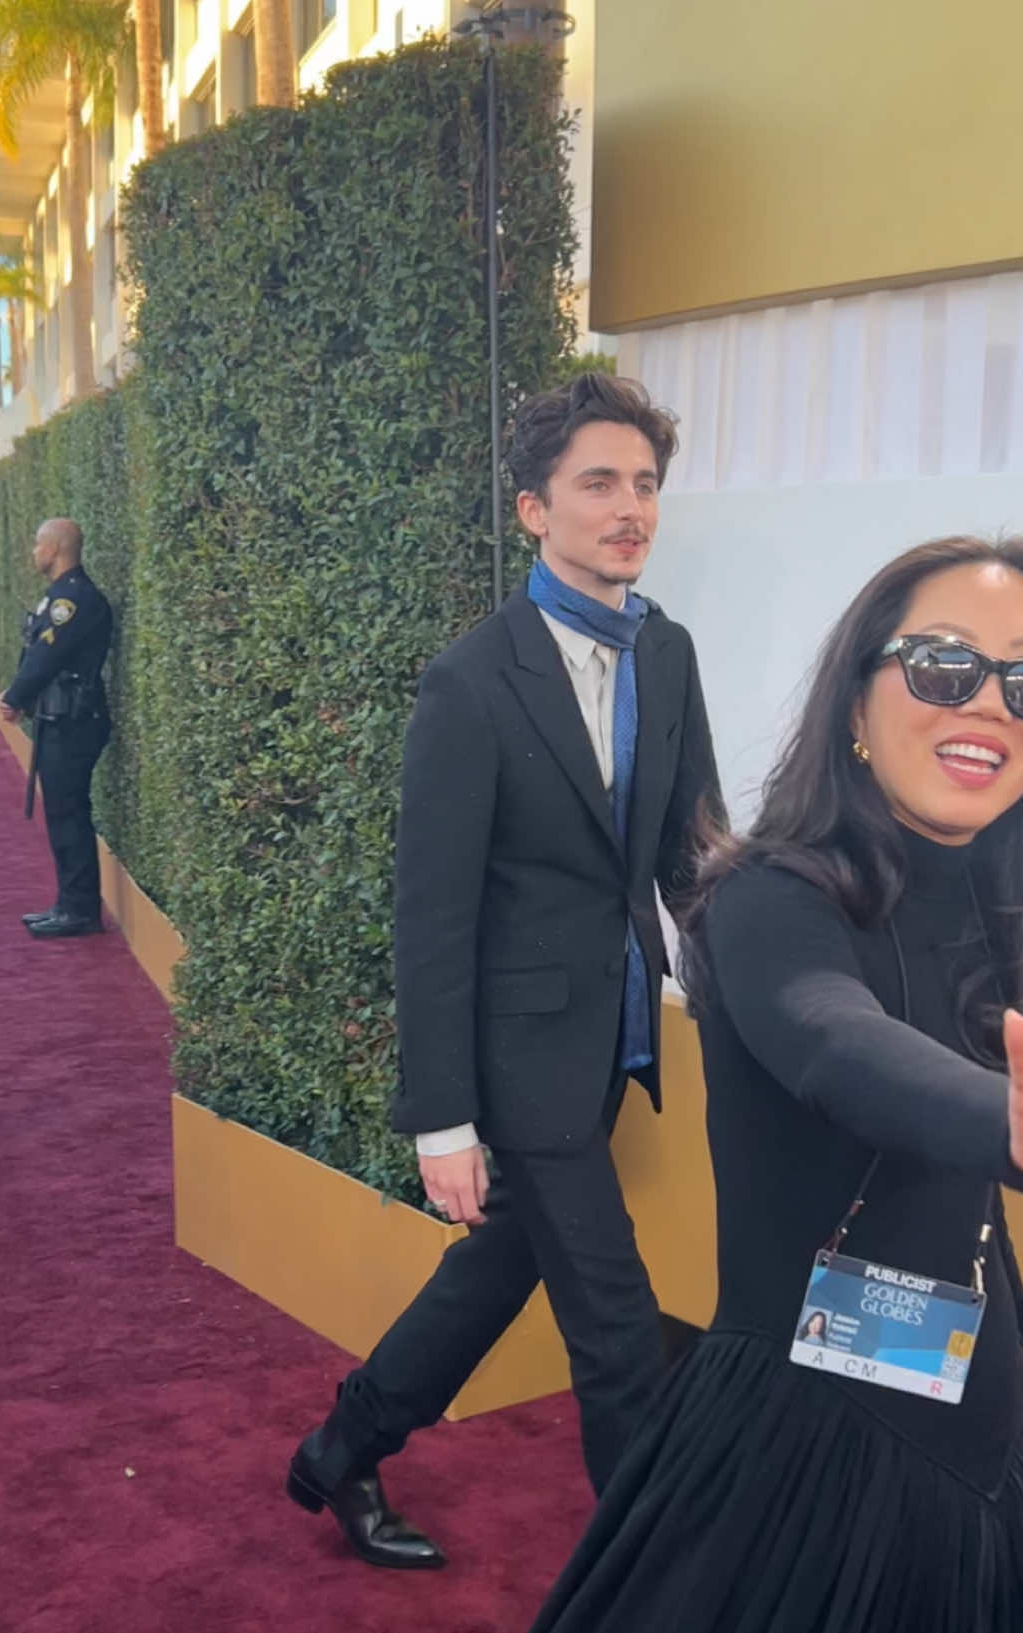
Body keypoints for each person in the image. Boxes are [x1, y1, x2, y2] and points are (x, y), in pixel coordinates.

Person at [481, 534, 1023, 1633]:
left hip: (983, 1417)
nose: (993, 703)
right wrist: (1022, 1129)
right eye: (945, 665)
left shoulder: (992, 903)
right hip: (803, 1442)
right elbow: (838, 1044)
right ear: (856, 696)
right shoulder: (765, 897)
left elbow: (949, 1188)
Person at [286, 373, 721, 1568]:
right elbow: (429, 917)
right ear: (534, 508)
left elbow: (696, 851)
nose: (628, 506)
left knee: (498, 1272)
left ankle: (341, 1448)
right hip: (516, 1064)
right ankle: (654, 1591)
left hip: (607, 1045)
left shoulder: (667, 652)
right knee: (621, 1332)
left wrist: (778, 990)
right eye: (597, 483)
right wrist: (442, 1118)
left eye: (643, 483)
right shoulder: (471, 680)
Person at [0, 519, 113, 939]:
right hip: (59, 718)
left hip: (75, 722)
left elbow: (46, 657)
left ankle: (80, 912)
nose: (33, 552)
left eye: (37, 543)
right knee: (62, 813)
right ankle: (68, 904)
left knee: (70, 814)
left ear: (56, 547)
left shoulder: (74, 600)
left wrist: (13, 697)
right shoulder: (60, 596)